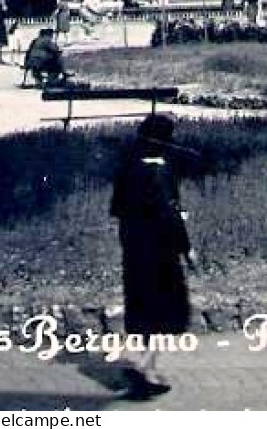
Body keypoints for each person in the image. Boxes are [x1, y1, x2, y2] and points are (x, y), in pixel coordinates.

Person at [110, 114, 195, 400]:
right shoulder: (162, 173)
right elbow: (170, 215)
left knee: (143, 309)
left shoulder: (128, 169)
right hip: (161, 253)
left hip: (134, 251)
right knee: (162, 310)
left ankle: (147, 368)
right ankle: (146, 370)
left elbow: (117, 210)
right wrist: (187, 248)